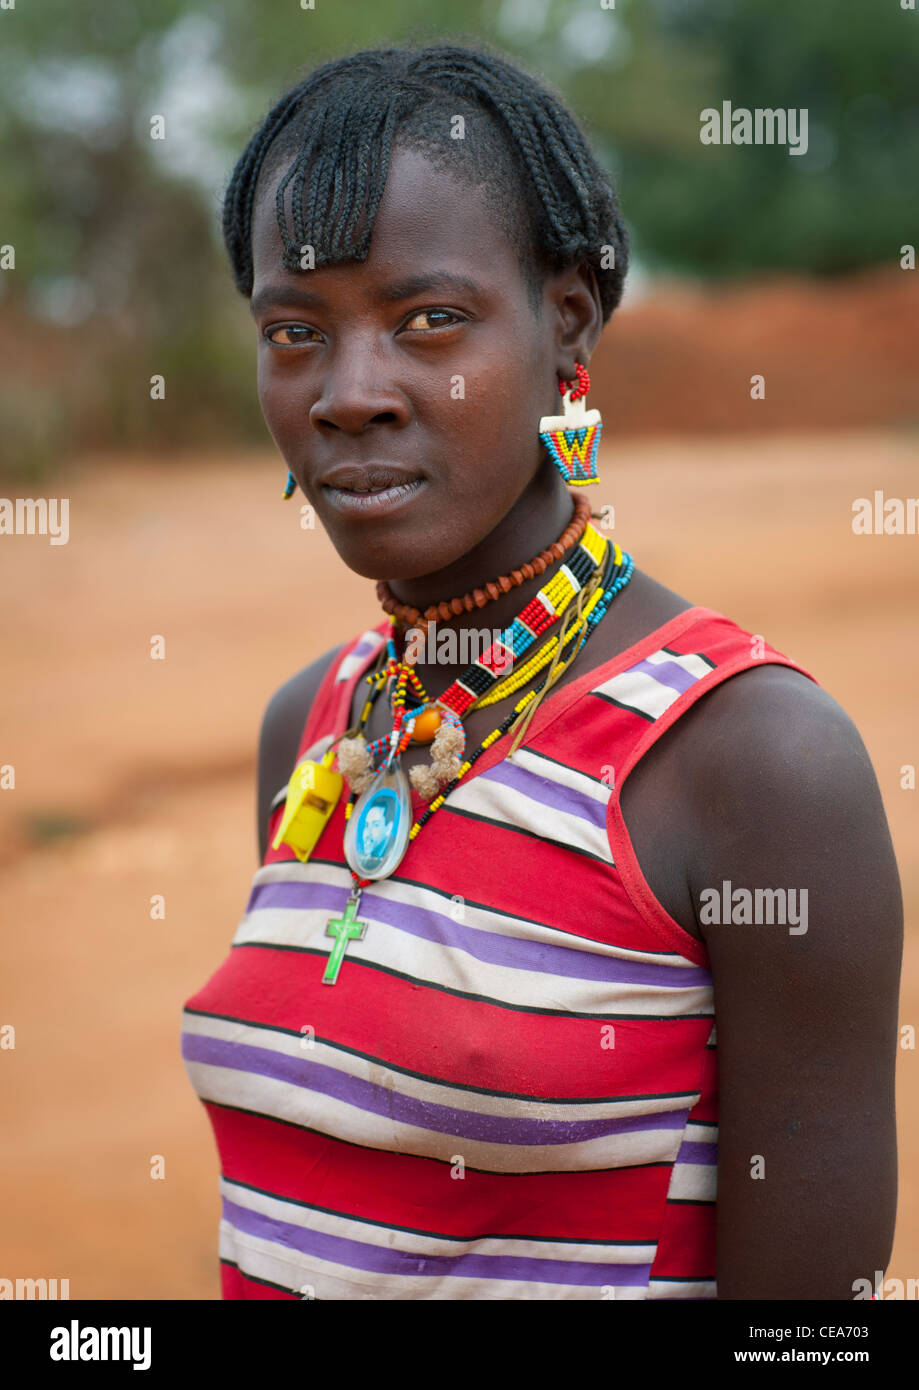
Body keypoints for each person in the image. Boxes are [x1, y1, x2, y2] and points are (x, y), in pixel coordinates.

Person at [181, 40, 902, 1301]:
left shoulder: (748, 763)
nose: (350, 394)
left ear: (565, 319)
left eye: (429, 321)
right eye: (296, 330)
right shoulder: (314, 725)